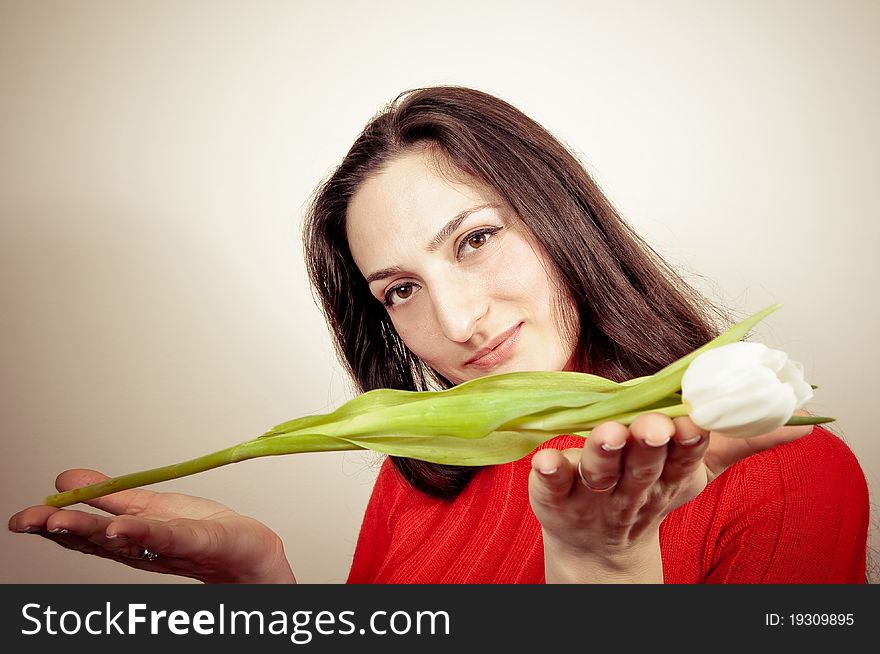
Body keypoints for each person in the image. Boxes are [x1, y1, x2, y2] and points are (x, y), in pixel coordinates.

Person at [8, 86, 870, 583]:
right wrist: (263, 582)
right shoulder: (428, 470)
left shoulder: (785, 473)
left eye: (476, 239)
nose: (456, 325)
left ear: (561, 216)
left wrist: (603, 569)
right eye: (402, 289)